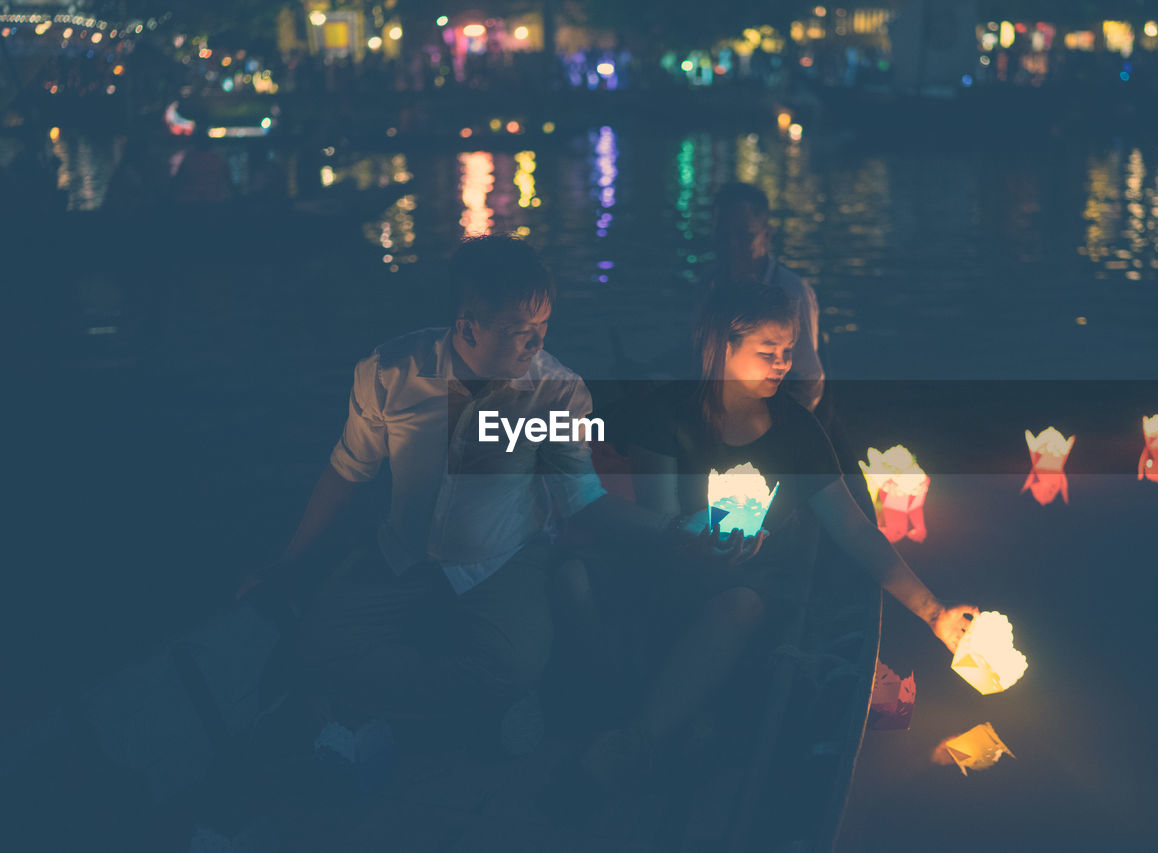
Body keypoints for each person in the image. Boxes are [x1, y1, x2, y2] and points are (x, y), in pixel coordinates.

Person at [241, 235, 738, 749]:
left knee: (514, 666)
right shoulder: (388, 373)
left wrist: (680, 530)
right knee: (313, 646)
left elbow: (581, 499)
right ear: (467, 328)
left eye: (543, 327)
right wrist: (292, 558)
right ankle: (449, 707)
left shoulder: (558, 393)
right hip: (402, 554)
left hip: (503, 560)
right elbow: (348, 470)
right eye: (521, 332)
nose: (537, 344)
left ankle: (392, 704)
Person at [578, 283, 977, 788]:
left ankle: (636, 741)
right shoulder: (667, 415)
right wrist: (698, 545)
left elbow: (853, 527)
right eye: (767, 353)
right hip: (672, 568)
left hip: (758, 586)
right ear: (722, 346)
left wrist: (932, 611)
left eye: (787, 352)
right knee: (584, 583)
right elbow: (659, 519)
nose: (782, 365)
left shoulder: (797, 432)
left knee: (742, 603)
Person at [708, 182, 824, 411]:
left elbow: (808, 381)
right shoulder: (711, 282)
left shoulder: (791, 292)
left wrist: (780, 430)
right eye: (724, 236)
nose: (732, 246)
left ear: (767, 235)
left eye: (744, 236)